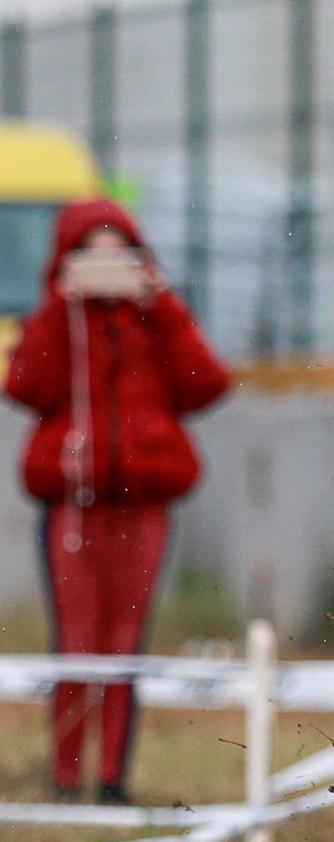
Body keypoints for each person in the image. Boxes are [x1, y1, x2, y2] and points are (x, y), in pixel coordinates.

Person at [5, 199, 230, 804]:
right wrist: (60, 303)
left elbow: (208, 384)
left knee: (126, 641)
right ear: (66, 260)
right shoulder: (57, 322)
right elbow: (24, 385)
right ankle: (65, 774)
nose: (105, 268)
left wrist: (162, 305)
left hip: (144, 505)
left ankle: (111, 778)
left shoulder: (156, 321)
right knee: (75, 641)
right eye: (90, 254)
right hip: (71, 510)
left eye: (117, 253)